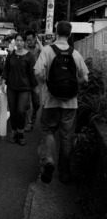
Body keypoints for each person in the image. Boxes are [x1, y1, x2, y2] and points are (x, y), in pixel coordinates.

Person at [34, 21, 89, 184]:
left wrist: (47, 82)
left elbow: (37, 71)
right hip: (70, 104)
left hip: (51, 101)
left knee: (48, 131)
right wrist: (72, 83)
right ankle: (64, 174)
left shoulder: (47, 51)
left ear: (56, 32)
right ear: (70, 35)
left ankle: (48, 161)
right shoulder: (75, 53)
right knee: (66, 137)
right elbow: (85, 78)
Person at [1, 33, 38, 146]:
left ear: (25, 42)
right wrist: (3, 81)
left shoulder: (29, 56)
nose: (19, 43)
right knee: (12, 110)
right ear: (15, 42)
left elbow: (32, 74)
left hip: (24, 88)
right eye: (17, 40)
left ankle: (21, 133)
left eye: (22, 40)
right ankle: (14, 132)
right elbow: (6, 69)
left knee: (21, 111)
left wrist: (35, 87)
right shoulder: (11, 55)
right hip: (12, 87)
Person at [24, 30, 43, 132]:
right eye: (27, 40)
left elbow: (44, 51)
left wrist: (38, 41)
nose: (29, 42)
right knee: (27, 102)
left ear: (34, 39)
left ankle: (33, 115)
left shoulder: (38, 48)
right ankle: (29, 122)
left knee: (37, 103)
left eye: (31, 39)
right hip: (26, 78)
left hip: (36, 80)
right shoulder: (24, 48)